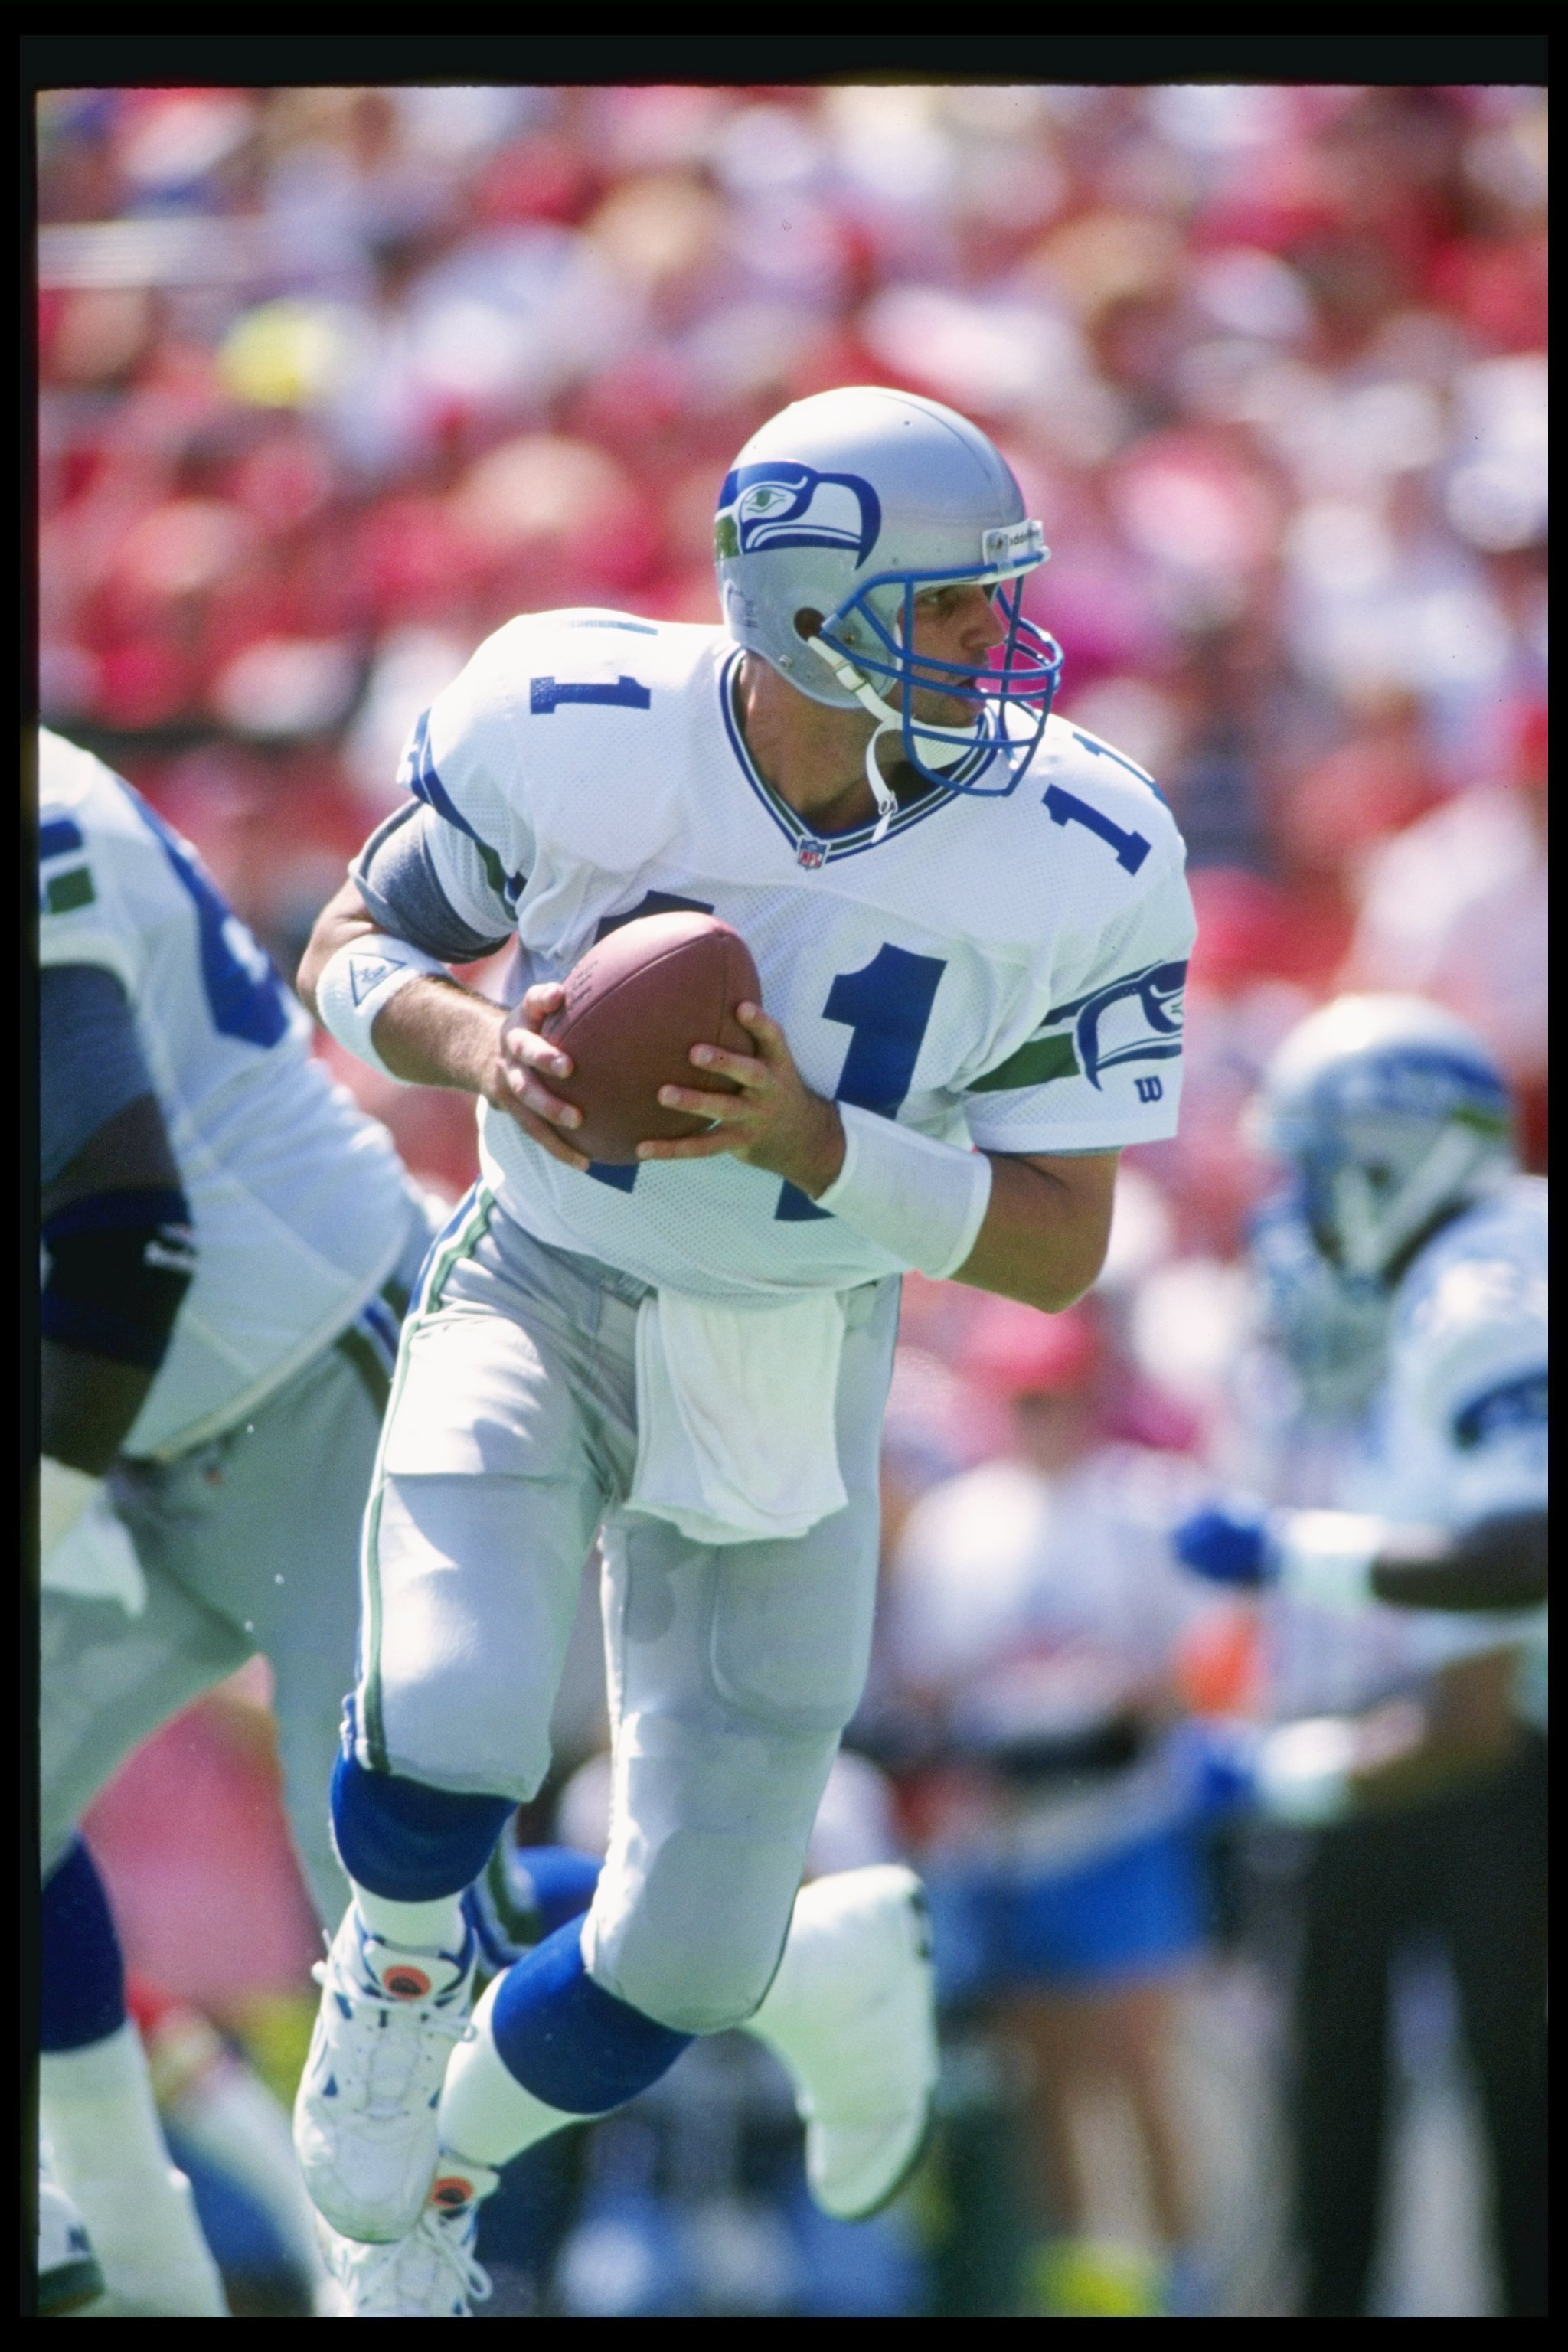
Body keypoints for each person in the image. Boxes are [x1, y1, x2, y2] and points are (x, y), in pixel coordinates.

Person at [287, 382, 1197, 2314]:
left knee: (692, 1956)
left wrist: (812, 1140)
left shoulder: (1084, 841)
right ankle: (381, 1973)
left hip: (795, 1350)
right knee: (452, 1713)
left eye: (994, 603)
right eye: (947, 609)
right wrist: (476, 1047)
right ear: (800, 608)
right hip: (541, 1278)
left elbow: (1055, 1252)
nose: (998, 648)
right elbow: (353, 947)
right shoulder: (577, 720)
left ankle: (437, 2174)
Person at [37, 725, 435, 2314]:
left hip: (313, 1369)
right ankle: (125, 2254)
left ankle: (788, 1964)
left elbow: (128, 1237)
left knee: (399, 1948)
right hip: (126, 1411)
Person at [1175, 995, 1547, 2315]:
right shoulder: (1468, 1277)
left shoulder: (1485, 1288)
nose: (1302, 1206)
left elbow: (1525, 1554)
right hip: (1442, 1735)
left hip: (1479, 1762)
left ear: (1398, 1157)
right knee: (1345, 2117)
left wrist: (1290, 1555)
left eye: (1321, 1165)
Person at [885, 1296, 1218, 2317]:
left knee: (1138, 2071)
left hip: (1122, 1827)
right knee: (1049, 2084)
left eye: (1061, 1396)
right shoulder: (958, 1524)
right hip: (1011, 1837)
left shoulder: (1146, 1504)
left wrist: (1114, 1711)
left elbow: (1194, 1667)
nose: (1045, 1416)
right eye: (1027, 1397)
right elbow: (930, 1686)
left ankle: (1187, 2281)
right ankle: (1083, 2287)